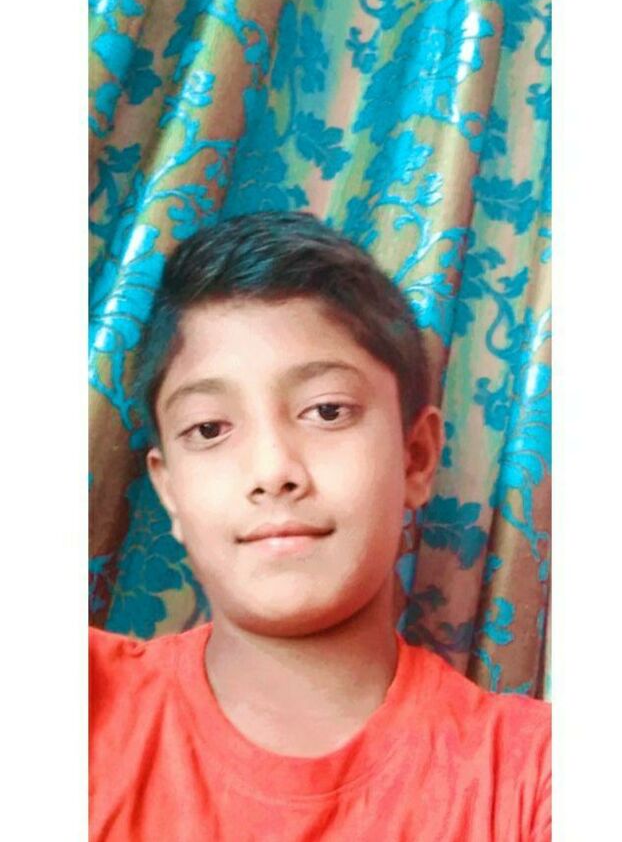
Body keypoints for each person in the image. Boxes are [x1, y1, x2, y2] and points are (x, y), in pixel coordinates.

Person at [90, 211, 551, 841]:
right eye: (209, 428)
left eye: (327, 411)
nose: (273, 471)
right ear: (169, 489)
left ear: (415, 456)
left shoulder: (532, 775)